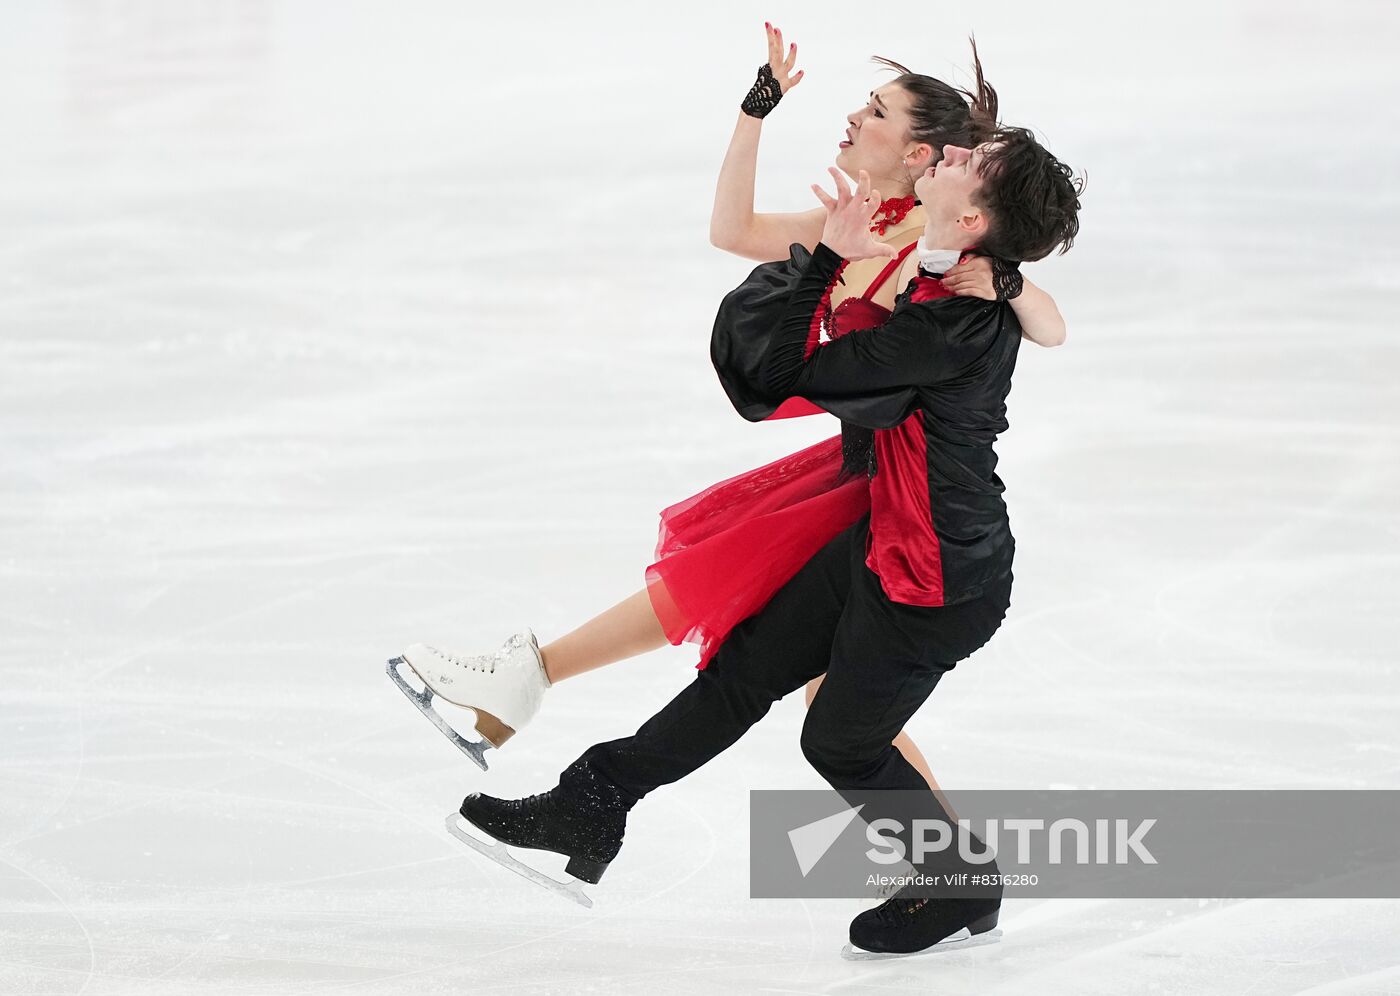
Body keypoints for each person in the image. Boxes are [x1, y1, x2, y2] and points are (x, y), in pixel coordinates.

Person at [451, 128, 1085, 956]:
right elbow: (1016, 309)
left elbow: (791, 372)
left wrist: (827, 260)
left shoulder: (946, 325)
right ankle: (593, 801)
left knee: (838, 743)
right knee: (742, 669)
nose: (952, 155)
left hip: (935, 581)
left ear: (970, 217)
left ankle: (958, 880)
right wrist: (990, 273)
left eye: (970, 163)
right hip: (887, 539)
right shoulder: (960, 282)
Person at [388, 28, 1066, 792]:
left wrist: (1012, 288)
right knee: (822, 691)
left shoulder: (939, 244)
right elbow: (732, 233)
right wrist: (755, 115)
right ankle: (956, 880)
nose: (855, 117)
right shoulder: (864, 221)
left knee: (721, 582)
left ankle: (524, 683)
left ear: (917, 155)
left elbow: (1044, 321)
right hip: (864, 465)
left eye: (876, 111)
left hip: (891, 487)